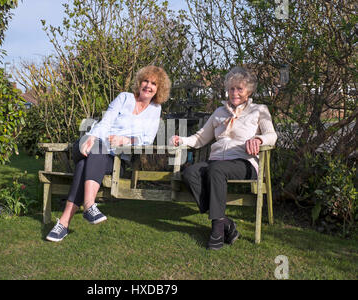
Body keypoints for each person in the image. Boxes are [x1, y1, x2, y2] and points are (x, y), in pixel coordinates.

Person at [46, 65, 171, 242]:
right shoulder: (125, 98)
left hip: (115, 160)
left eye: (153, 83)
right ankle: (89, 206)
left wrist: (126, 140)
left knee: (83, 167)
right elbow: (106, 121)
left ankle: (64, 223)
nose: (148, 86)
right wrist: (93, 136)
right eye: (145, 81)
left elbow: (147, 139)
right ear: (139, 82)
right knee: (96, 148)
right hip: (89, 145)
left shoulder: (155, 109)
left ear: (159, 89)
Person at [170, 66, 277, 250]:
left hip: (244, 162)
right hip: (217, 162)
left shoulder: (259, 110)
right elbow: (200, 138)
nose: (234, 92)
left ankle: (217, 230)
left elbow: (272, 136)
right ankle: (226, 222)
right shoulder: (219, 112)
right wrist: (182, 140)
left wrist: (259, 139)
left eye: (239, 89)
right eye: (231, 89)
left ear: (248, 90)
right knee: (190, 173)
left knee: (216, 169)